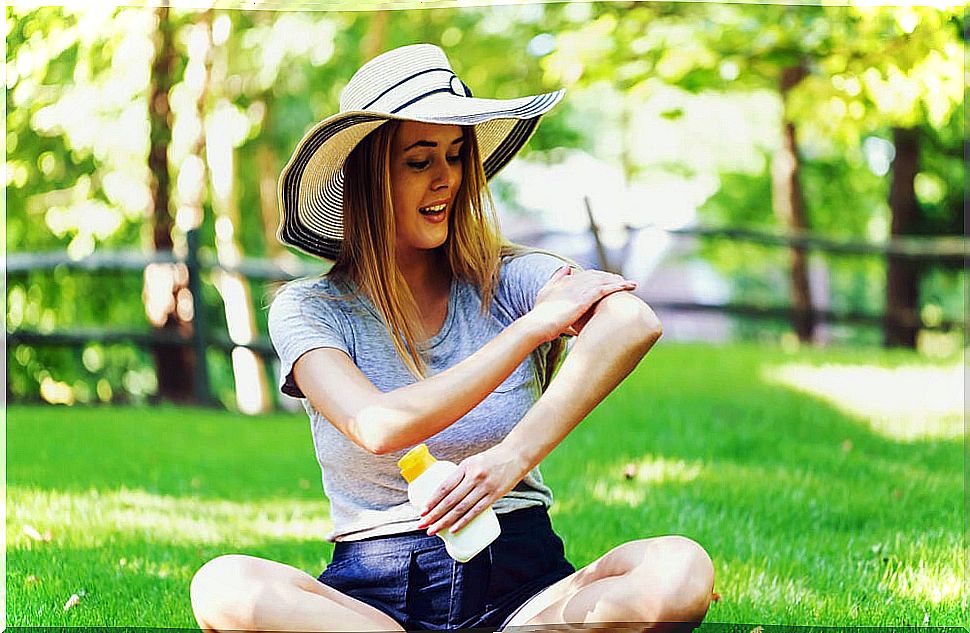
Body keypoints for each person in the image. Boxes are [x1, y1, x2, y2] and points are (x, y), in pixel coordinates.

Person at [189, 43, 714, 632]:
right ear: (369, 176)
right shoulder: (310, 309)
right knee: (222, 584)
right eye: (419, 160)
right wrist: (532, 330)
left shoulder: (507, 278)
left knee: (680, 569)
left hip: (525, 589)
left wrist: (509, 461)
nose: (446, 179)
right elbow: (378, 425)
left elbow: (632, 322)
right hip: (375, 602)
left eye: (456, 155)